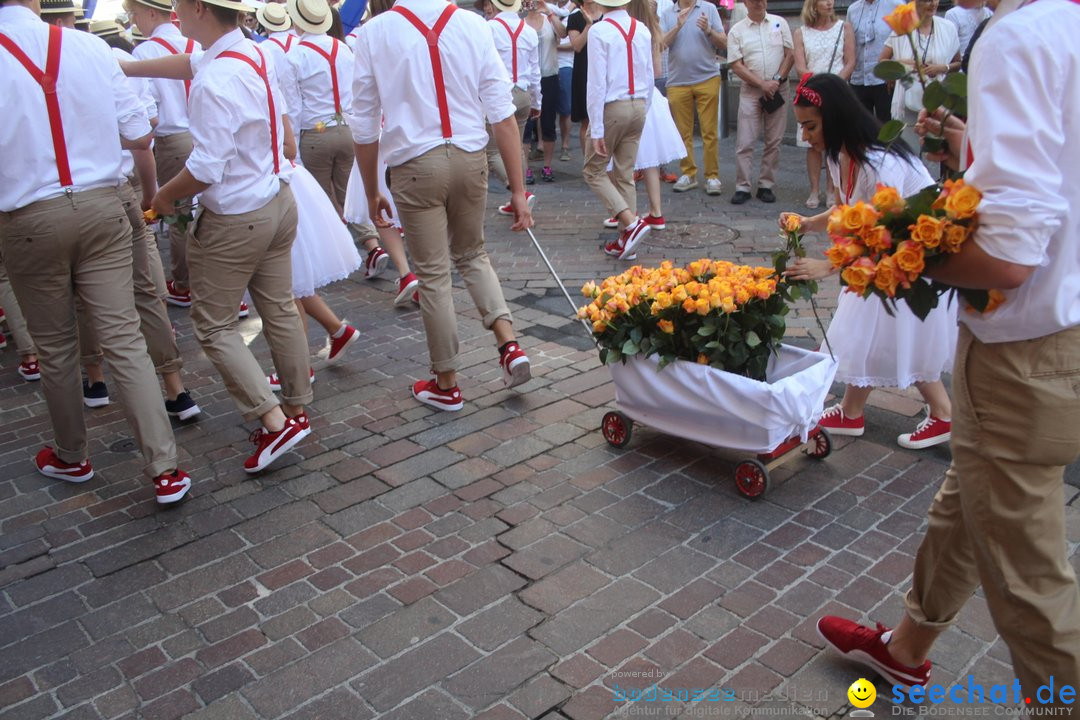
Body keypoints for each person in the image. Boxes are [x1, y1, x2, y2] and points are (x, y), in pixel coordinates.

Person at [818, 0, 1080, 701]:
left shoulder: (1022, 35)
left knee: (1032, 590)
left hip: (1025, 345)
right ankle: (907, 647)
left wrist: (890, 253)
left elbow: (1008, 254)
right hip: (1064, 324)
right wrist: (971, 146)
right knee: (968, 497)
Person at [0, 0, 192, 503]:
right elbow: (138, 132)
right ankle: (164, 468)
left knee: (56, 346)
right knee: (123, 335)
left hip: (27, 216)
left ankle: (72, 455)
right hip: (102, 203)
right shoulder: (90, 47)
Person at [130, 0, 315, 473]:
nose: (173, 15)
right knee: (277, 306)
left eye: (176, 7)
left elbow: (207, 168)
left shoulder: (216, 78)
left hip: (238, 215)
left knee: (213, 325)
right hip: (277, 199)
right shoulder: (249, 52)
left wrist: (165, 196)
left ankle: (275, 422)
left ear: (197, 8)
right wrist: (126, 66)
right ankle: (296, 407)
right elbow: (187, 62)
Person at [351, 0, 535, 412]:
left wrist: (370, 189)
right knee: (473, 254)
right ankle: (509, 345)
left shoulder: (375, 33)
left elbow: (364, 125)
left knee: (433, 274)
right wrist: (519, 190)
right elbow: (502, 115)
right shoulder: (472, 25)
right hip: (469, 156)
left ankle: (447, 382)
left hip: (415, 163)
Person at [781, 73, 954, 450]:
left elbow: (880, 230)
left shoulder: (879, 162)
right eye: (802, 127)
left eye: (810, 126)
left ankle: (942, 414)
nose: (805, 136)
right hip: (885, 254)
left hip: (912, 254)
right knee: (868, 328)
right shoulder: (843, 153)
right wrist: (810, 223)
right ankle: (851, 410)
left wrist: (826, 267)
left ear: (836, 118)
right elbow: (850, 208)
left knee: (894, 331)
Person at [128, 0, 203, 310]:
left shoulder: (144, 53)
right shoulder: (196, 42)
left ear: (150, 12)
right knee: (204, 211)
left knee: (179, 215)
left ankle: (186, 285)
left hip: (173, 141)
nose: (134, 21)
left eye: (134, 14)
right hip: (204, 134)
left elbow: (149, 115)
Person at [583, 0, 654, 260]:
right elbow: (648, 74)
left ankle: (631, 224)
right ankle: (628, 240)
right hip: (637, 105)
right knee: (624, 174)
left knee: (593, 171)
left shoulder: (599, 31)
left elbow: (596, 83)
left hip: (613, 107)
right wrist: (643, 108)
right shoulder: (642, 29)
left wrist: (596, 127)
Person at [605, 0, 683, 231]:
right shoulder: (649, 30)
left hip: (625, 99)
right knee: (648, 160)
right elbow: (657, 71)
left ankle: (626, 211)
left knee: (621, 160)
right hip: (648, 99)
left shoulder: (619, 30)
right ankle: (656, 213)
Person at [727, 0, 793, 205]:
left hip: (778, 89)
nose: (758, 2)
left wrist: (775, 80)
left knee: (774, 141)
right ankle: (742, 186)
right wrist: (762, 84)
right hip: (750, 91)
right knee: (745, 141)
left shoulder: (779, 23)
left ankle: (766, 185)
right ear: (745, 3)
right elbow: (736, 65)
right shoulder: (736, 31)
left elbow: (790, 54)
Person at [659, 0, 725, 195]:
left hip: (707, 78)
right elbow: (661, 44)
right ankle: (688, 173)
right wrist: (678, 26)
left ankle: (712, 176)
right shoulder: (669, 14)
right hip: (678, 81)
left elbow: (724, 41)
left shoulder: (709, 9)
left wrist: (709, 30)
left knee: (709, 131)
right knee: (682, 133)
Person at [792, 0, 852, 208]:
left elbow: (850, 61)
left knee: (835, 144)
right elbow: (800, 67)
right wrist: (817, 88)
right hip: (811, 92)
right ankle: (815, 190)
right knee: (813, 145)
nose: (830, 3)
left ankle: (833, 190)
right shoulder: (801, 32)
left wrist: (833, 86)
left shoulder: (844, 27)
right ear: (813, 5)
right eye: (824, 0)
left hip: (837, 93)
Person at [483, 0, 541, 214]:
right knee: (515, 146)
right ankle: (519, 196)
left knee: (492, 151)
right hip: (523, 93)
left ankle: (521, 193)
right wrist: (537, 101)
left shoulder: (489, 28)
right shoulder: (528, 30)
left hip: (500, 94)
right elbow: (535, 71)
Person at [879, 0, 959, 153]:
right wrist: (909, 64)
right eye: (927, 0)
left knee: (934, 152)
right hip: (906, 101)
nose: (933, 3)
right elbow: (883, 61)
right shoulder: (903, 28)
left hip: (936, 101)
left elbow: (958, 63)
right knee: (908, 152)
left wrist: (942, 67)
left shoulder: (948, 28)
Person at [526, 0, 567, 183]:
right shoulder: (521, 22)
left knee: (549, 121)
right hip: (528, 78)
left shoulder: (549, 18)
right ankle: (525, 168)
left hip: (549, 75)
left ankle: (547, 166)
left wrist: (549, 12)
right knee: (526, 124)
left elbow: (563, 33)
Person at [845, 0, 899, 123]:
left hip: (885, 81)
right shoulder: (852, 9)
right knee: (861, 130)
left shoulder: (896, 5)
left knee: (886, 129)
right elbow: (849, 43)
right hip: (859, 79)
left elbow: (903, 41)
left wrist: (895, 72)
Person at [566, 0, 602, 157]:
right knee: (586, 121)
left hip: (603, 70)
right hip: (584, 71)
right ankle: (588, 161)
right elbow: (577, 46)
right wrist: (589, 25)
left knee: (606, 119)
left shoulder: (607, 15)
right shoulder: (575, 17)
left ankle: (606, 164)